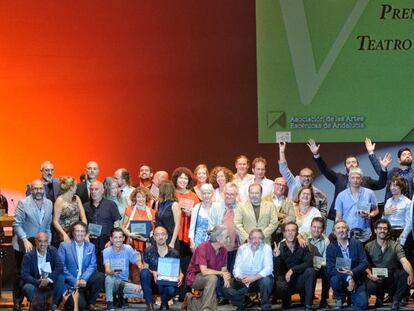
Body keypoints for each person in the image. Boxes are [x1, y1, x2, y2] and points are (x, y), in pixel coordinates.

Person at [307, 138, 389, 220]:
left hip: (362, 219)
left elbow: (381, 185)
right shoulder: (339, 178)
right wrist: (316, 155)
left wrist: (383, 169)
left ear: (358, 165)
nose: (351, 164)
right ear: (345, 166)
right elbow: (325, 170)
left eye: (354, 162)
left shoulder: (366, 180)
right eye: (348, 163)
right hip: (341, 221)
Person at [12, 180, 53, 310]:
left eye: (40, 188)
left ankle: (35, 301)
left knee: (38, 273)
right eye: (35, 188)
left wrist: (49, 242)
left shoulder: (49, 203)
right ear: (31, 189)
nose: (38, 191)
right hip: (24, 245)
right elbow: (17, 224)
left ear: (44, 189)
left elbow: (47, 226)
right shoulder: (23, 203)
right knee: (20, 275)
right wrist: (25, 240)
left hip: (41, 245)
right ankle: (17, 303)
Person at [365, 219, 414, 310]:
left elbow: (404, 261)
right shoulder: (368, 246)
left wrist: (411, 274)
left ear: (388, 231)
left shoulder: (396, 246)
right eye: (380, 228)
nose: (382, 230)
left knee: (406, 272)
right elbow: (365, 265)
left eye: (385, 228)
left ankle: (396, 299)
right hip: (377, 278)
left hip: (392, 278)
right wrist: (370, 275)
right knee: (370, 286)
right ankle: (379, 297)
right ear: (375, 230)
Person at [58, 221, 105, 311]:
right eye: (77, 231)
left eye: (82, 231)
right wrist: (73, 280)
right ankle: (73, 300)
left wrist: (84, 278)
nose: (80, 234)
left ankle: (91, 303)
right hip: (71, 283)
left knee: (100, 276)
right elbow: (61, 266)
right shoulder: (64, 246)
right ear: (73, 232)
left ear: (86, 233)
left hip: (85, 281)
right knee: (81, 306)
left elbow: (92, 265)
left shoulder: (90, 246)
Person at [222, 229, 273, 311]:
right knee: (225, 289)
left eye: (259, 238)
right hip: (243, 280)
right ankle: (242, 303)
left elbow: (268, 268)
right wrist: (239, 277)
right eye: (254, 238)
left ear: (262, 239)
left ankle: (265, 306)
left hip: (259, 279)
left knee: (267, 281)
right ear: (249, 239)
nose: (256, 241)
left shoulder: (267, 248)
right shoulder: (242, 248)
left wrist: (253, 278)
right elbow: (236, 267)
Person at [185, 225, 231, 311]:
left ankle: (191, 301)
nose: (229, 239)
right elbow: (204, 271)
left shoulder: (224, 250)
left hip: (212, 278)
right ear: (218, 238)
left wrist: (226, 277)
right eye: (227, 237)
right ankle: (206, 309)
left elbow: (224, 269)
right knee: (212, 278)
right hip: (194, 277)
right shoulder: (202, 247)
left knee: (214, 307)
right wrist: (222, 273)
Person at [326, 220, 368, 310]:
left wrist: (352, 273)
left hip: (357, 279)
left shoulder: (357, 243)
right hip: (340, 279)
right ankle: (340, 297)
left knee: (363, 305)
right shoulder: (331, 247)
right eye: (338, 228)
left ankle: (350, 296)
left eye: (344, 227)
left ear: (348, 230)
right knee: (334, 280)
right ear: (334, 232)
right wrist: (348, 277)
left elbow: (364, 262)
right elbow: (331, 269)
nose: (341, 230)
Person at [273, 222, 316, 311]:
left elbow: (310, 262)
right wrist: (276, 257)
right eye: (288, 231)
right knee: (279, 285)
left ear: (297, 233)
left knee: (310, 271)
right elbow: (274, 269)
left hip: (299, 280)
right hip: (284, 282)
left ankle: (308, 305)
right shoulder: (278, 247)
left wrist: (292, 270)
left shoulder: (302, 245)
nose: (290, 233)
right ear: (284, 233)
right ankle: (286, 300)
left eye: (293, 230)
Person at [279, 141, 328, 218]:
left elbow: (322, 216)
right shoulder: (293, 183)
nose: (306, 179)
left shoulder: (318, 194)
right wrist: (282, 151)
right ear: (299, 176)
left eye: (309, 176)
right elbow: (283, 169)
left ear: (312, 177)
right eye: (304, 176)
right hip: (293, 222)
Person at [172, 167, 199, 300]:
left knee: (186, 264)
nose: (182, 180)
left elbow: (199, 216)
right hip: (173, 234)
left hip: (187, 234)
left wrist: (191, 213)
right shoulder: (172, 193)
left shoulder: (193, 196)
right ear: (176, 179)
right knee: (173, 263)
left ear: (189, 180)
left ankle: (185, 294)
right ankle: (173, 293)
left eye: (185, 178)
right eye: (180, 178)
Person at [141, 226, 183, 311]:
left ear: (167, 236)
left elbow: (179, 271)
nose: (160, 237)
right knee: (144, 272)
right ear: (154, 237)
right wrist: (153, 272)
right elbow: (144, 269)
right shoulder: (148, 251)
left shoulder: (174, 253)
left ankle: (164, 302)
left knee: (170, 290)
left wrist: (181, 275)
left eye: (163, 234)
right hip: (153, 283)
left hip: (167, 283)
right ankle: (150, 304)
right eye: (157, 235)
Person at [21, 232, 64, 309]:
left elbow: (59, 266)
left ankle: (52, 305)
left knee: (61, 278)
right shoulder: (29, 255)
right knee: (27, 287)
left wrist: (48, 279)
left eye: (45, 241)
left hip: (50, 282)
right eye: (40, 241)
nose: (42, 244)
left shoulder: (53, 250)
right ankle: (39, 307)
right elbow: (24, 274)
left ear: (48, 242)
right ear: (35, 241)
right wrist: (38, 281)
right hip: (36, 282)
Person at [84, 181, 121, 270]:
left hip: (107, 241)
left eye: (96, 189)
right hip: (90, 241)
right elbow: (83, 223)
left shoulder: (111, 204)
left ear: (102, 191)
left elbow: (117, 224)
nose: (93, 191)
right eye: (91, 189)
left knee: (106, 269)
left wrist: (112, 241)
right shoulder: (85, 206)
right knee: (91, 267)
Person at [103, 228, 143, 311]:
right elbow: (107, 270)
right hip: (112, 282)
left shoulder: (128, 248)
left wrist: (141, 283)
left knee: (143, 293)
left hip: (124, 283)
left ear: (124, 238)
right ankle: (109, 304)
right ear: (111, 239)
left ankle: (123, 295)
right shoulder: (106, 251)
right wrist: (113, 271)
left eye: (120, 237)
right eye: (115, 237)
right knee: (109, 278)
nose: (118, 240)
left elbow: (138, 263)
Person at [335, 167, 379, 243]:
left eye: (358, 178)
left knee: (364, 254)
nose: (355, 180)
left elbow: (376, 210)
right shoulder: (341, 195)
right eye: (353, 178)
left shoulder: (369, 193)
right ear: (349, 179)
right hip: (347, 233)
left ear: (361, 179)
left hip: (365, 233)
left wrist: (370, 215)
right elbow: (338, 217)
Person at [210, 182, 240, 280]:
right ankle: (219, 294)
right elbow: (211, 226)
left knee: (232, 274)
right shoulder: (215, 206)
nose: (229, 196)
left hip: (235, 248)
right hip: (219, 248)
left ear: (236, 195)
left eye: (232, 194)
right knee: (219, 276)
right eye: (227, 193)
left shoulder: (241, 208)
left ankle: (229, 293)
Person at [52, 176, 87, 246]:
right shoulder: (59, 200)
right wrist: (64, 235)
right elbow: (55, 221)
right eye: (75, 185)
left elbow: (83, 218)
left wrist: (83, 231)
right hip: (63, 234)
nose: (77, 187)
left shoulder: (77, 198)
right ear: (71, 187)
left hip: (77, 233)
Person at [122, 187, 155, 254]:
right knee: (133, 263)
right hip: (132, 242)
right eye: (138, 197)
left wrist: (148, 238)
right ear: (135, 198)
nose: (141, 199)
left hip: (147, 243)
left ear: (146, 198)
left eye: (143, 197)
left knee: (146, 263)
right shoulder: (129, 210)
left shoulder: (152, 212)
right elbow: (123, 227)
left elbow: (154, 229)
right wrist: (129, 234)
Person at [306, 217, 330, 309]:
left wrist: (318, 265)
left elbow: (326, 259)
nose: (316, 230)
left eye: (319, 227)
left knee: (328, 271)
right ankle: (308, 301)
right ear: (310, 227)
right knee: (310, 271)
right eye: (314, 227)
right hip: (307, 267)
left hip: (321, 266)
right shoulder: (304, 238)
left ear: (323, 229)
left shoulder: (326, 240)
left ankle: (324, 300)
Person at [383, 176, 412, 242]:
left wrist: (402, 238)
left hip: (401, 232)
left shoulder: (407, 202)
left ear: (401, 187)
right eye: (391, 185)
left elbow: (409, 223)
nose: (392, 188)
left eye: (395, 185)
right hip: (388, 232)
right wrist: (385, 213)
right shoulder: (388, 201)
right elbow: (383, 220)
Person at [189, 183, 215, 250]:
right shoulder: (196, 208)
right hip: (198, 243)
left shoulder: (216, 208)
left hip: (213, 243)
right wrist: (192, 242)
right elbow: (192, 227)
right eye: (204, 193)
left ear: (212, 194)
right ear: (201, 195)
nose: (206, 196)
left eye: (208, 193)